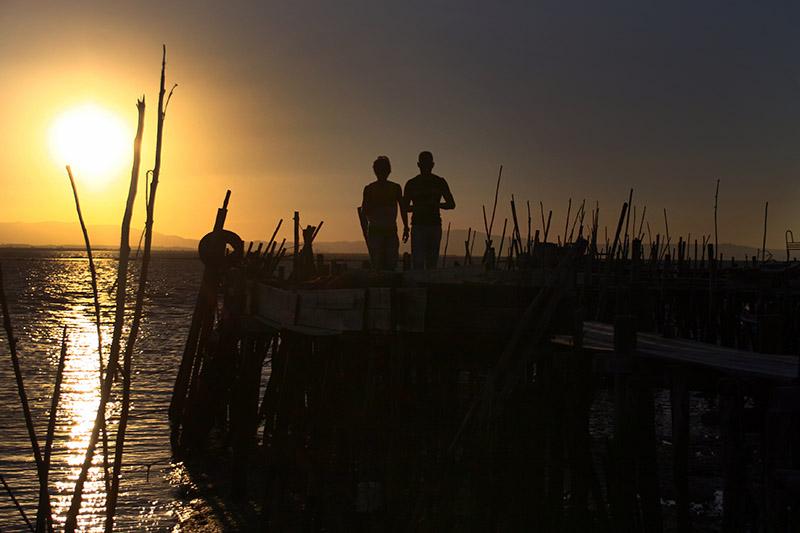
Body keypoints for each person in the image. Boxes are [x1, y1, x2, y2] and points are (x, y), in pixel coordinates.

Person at [403, 151, 455, 269]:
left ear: (432, 165)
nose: (426, 166)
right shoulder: (412, 184)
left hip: (433, 226)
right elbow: (404, 207)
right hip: (419, 226)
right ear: (419, 165)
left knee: (431, 262)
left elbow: (451, 204)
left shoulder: (439, 182)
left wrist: (436, 205)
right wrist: (420, 207)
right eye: (424, 164)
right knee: (419, 262)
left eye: (427, 164)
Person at [361, 155, 408, 270]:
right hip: (379, 231)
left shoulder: (393, 188)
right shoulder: (371, 189)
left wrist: (406, 226)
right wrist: (406, 227)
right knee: (382, 265)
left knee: (386, 265)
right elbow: (364, 210)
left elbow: (402, 208)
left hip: (386, 231)